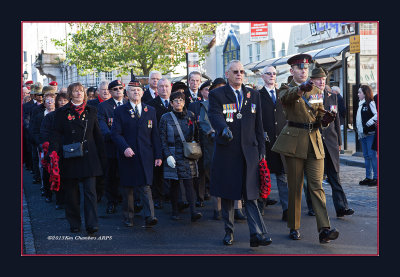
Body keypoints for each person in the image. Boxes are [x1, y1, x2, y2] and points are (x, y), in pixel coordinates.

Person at [271, 54, 339, 244]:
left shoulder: (316, 91)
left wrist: (325, 120)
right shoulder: (286, 88)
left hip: (314, 141)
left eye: (305, 68)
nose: (303, 71)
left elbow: (317, 114)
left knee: (317, 186)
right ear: (292, 71)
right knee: (295, 186)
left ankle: (324, 229)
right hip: (294, 142)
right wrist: (300, 89)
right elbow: (286, 99)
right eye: (299, 68)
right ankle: (294, 226)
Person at [208, 60, 272, 247]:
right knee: (228, 194)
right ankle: (229, 232)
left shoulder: (253, 94)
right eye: (235, 71)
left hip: (250, 152)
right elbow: (215, 115)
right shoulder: (217, 94)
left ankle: (257, 234)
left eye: (242, 71)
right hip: (228, 151)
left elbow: (259, 124)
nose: (239, 74)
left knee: (251, 194)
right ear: (227, 73)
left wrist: (262, 149)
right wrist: (222, 129)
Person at [47, 82, 106, 236]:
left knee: (90, 193)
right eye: (75, 91)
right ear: (70, 94)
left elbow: (97, 134)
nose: (79, 93)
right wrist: (53, 153)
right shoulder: (61, 112)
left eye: (81, 91)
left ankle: (92, 224)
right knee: (71, 193)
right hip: (70, 155)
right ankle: (74, 223)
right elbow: (56, 134)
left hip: (89, 156)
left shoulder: (92, 110)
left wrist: (103, 156)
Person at [111, 77, 162, 227]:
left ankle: (150, 216)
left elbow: (155, 135)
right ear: (127, 93)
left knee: (146, 185)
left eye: (138, 90)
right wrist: (124, 147)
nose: (136, 93)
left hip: (146, 154)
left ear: (142, 92)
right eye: (133, 90)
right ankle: (128, 216)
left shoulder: (150, 110)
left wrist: (158, 155)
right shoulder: (120, 111)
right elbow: (115, 133)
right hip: (128, 154)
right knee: (128, 187)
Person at [310, 68, 354, 217]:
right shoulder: (310, 96)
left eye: (324, 79)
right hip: (316, 142)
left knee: (335, 176)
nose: (322, 81)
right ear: (312, 81)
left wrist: (339, 142)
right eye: (318, 79)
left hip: (331, 142)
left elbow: (336, 122)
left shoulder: (331, 96)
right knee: (316, 179)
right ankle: (312, 206)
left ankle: (342, 207)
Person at [159, 91, 203, 222]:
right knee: (174, 184)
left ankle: (193, 212)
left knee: (189, 182)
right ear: (171, 103)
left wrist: (195, 143)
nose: (179, 102)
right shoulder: (165, 117)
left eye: (181, 100)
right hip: (172, 152)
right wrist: (167, 155)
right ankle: (174, 211)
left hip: (187, 153)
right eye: (176, 100)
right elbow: (162, 138)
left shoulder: (191, 115)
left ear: (184, 102)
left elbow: (196, 133)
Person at [258, 65, 289, 221]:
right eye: (268, 74)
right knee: (263, 176)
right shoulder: (257, 95)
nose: (271, 76)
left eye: (274, 74)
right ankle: (260, 207)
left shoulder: (282, 94)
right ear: (262, 77)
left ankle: (287, 210)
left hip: (281, 142)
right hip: (265, 142)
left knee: (283, 178)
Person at [97, 80, 127, 214]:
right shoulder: (104, 107)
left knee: (126, 174)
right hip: (111, 146)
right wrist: (114, 137)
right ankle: (111, 201)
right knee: (111, 175)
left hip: (127, 145)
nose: (118, 90)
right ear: (110, 92)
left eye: (120, 88)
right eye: (115, 89)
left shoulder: (128, 103)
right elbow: (102, 125)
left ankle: (128, 200)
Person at [147, 78, 173, 209]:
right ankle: (158, 197)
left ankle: (172, 196)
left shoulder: (176, 102)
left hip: (174, 141)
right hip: (157, 140)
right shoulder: (151, 105)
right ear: (157, 89)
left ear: (170, 87)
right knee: (158, 171)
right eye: (161, 86)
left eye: (166, 86)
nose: (164, 89)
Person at [40, 92, 69, 209]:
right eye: (60, 100)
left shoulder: (71, 114)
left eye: (65, 100)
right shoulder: (50, 116)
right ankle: (59, 200)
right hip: (54, 150)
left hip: (69, 149)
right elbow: (44, 133)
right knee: (55, 176)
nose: (62, 103)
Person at [30, 87, 57, 202]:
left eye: (52, 100)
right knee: (45, 169)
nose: (50, 102)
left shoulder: (60, 115)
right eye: (47, 100)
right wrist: (40, 143)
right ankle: (47, 191)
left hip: (57, 146)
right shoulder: (39, 116)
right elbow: (34, 131)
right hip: (43, 146)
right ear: (44, 103)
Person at [188, 80, 211, 208]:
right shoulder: (195, 106)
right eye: (206, 89)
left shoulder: (216, 104)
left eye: (210, 89)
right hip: (200, 141)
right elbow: (192, 124)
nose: (208, 92)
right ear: (201, 92)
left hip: (212, 142)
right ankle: (200, 196)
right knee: (200, 170)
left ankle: (211, 192)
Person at [87, 80, 110, 202]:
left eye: (107, 89)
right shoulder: (91, 105)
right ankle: (99, 193)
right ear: (98, 92)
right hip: (96, 142)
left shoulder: (117, 104)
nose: (105, 92)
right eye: (103, 90)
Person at [356, 85, 377, 186]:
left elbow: (377, 114)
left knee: (372, 156)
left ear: (365, 93)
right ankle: (368, 177)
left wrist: (369, 123)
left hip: (370, 134)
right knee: (366, 156)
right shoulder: (360, 104)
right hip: (362, 134)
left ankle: (376, 178)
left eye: (360, 92)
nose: (358, 94)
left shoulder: (370, 103)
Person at [28, 82, 44, 184]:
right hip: (36, 135)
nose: (40, 97)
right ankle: (37, 175)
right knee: (35, 158)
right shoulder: (33, 108)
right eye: (38, 95)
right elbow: (31, 123)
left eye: (41, 95)